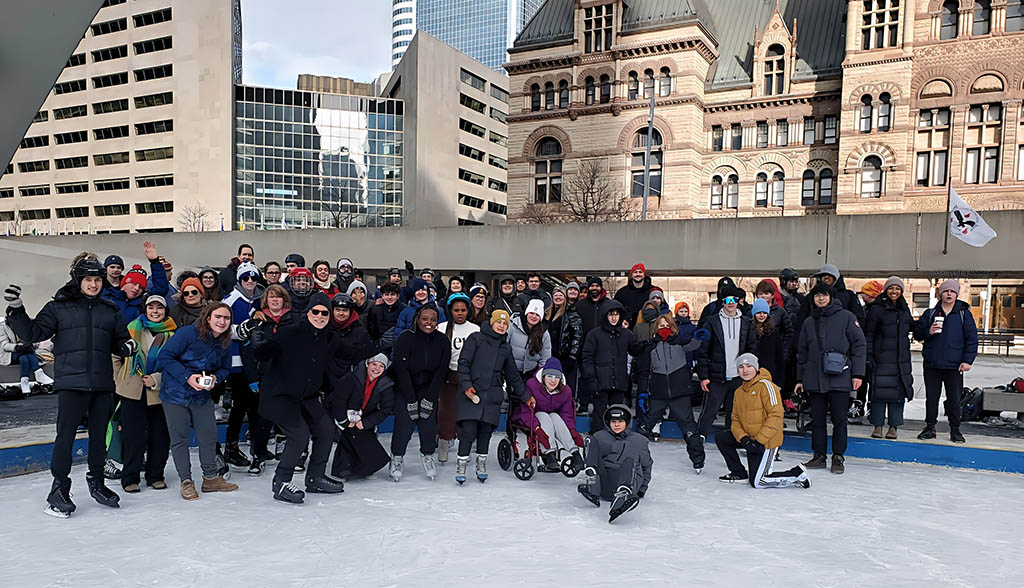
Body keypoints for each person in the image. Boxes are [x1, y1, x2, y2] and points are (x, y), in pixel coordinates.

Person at [5, 255, 135, 517]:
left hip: (101, 384)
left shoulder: (110, 310)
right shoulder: (58, 307)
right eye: (88, 279)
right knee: (65, 438)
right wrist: (17, 309)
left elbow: (120, 340)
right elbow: (33, 334)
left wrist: (127, 347)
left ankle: (97, 482)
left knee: (99, 439)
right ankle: (59, 488)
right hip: (71, 384)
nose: (93, 284)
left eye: (97, 280)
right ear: (79, 281)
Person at [252, 292, 344, 503]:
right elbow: (264, 353)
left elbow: (351, 352)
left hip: (306, 396)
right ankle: (281, 482)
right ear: (308, 312)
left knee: (326, 429)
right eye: (316, 311)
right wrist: (258, 345)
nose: (320, 316)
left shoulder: (328, 337)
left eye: (324, 313)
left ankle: (315, 477)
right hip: (280, 396)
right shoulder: (290, 332)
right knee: (299, 435)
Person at [155, 303, 238, 500]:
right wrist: (187, 377)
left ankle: (210, 478)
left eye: (226, 318)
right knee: (180, 439)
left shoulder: (225, 342)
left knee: (208, 436)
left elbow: (226, 368)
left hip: (201, 396)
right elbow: (165, 356)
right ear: (208, 317)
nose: (222, 321)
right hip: (175, 394)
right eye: (218, 316)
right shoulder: (187, 333)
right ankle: (186, 480)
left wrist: (216, 379)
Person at [795, 282, 866, 474]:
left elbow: (859, 345)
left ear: (831, 297)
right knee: (817, 420)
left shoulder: (847, 317)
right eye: (817, 295)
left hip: (840, 378)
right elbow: (802, 352)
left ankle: (838, 457)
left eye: (824, 295)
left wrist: (858, 373)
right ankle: (819, 456)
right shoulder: (809, 322)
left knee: (839, 419)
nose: (820, 298)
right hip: (815, 379)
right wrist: (800, 379)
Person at [456, 310, 533, 484]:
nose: (501, 326)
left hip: (492, 395)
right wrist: (467, 386)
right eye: (499, 322)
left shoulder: (505, 347)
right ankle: (461, 465)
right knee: (468, 431)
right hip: (472, 393)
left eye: (505, 324)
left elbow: (513, 375)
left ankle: (481, 464)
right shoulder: (475, 338)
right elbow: (464, 363)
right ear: (492, 322)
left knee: (485, 432)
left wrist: (526, 396)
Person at [715, 354, 810, 489]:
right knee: (722, 437)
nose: (745, 370)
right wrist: (744, 439)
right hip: (750, 439)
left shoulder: (766, 386)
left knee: (758, 482)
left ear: (756, 368)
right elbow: (735, 419)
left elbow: (776, 416)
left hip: (765, 442)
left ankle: (796, 474)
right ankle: (739, 473)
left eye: (749, 366)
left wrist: (759, 441)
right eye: (741, 367)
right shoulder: (739, 391)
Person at [113, 294, 176, 493]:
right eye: (151, 307)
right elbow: (115, 355)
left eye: (159, 308)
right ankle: (130, 477)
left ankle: (155, 475)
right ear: (145, 309)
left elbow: (178, 364)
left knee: (160, 436)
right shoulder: (131, 329)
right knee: (134, 437)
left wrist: (157, 379)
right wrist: (120, 380)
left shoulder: (174, 334)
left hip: (160, 393)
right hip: (133, 391)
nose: (155, 311)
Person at [634, 314, 705, 473]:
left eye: (667, 325)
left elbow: (693, 345)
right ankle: (631, 455)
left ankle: (698, 459)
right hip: (658, 393)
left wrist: (700, 337)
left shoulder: (679, 342)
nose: (663, 328)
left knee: (688, 426)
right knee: (645, 425)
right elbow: (645, 370)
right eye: (660, 326)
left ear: (672, 327)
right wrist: (643, 392)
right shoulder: (651, 346)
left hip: (679, 391)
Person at [390, 303, 451, 481]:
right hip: (406, 388)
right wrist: (410, 399)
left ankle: (427, 455)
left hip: (428, 388)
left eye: (433, 319)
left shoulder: (442, 341)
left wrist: (430, 398)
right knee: (404, 425)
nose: (429, 323)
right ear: (418, 319)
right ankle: (396, 458)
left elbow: (441, 371)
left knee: (428, 425)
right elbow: (401, 369)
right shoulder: (405, 338)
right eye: (425, 319)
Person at [913, 279, 977, 443]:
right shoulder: (930, 314)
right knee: (931, 398)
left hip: (955, 365)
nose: (949, 294)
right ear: (941, 294)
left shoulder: (964, 314)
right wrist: (929, 331)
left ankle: (955, 430)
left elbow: (972, 339)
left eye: (952, 291)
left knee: (954, 399)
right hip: (932, 364)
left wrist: (967, 360)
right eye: (946, 291)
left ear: (956, 294)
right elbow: (918, 335)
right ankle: (930, 427)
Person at [696, 284, 755, 439]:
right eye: (727, 299)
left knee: (734, 413)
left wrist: (749, 374)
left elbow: (752, 349)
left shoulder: (747, 323)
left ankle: (730, 441)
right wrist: (703, 376)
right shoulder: (712, 322)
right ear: (722, 301)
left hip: (738, 377)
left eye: (734, 299)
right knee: (709, 411)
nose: (731, 303)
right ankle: (699, 439)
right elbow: (702, 351)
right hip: (716, 377)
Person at [222, 261, 265, 469]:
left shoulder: (258, 298)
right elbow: (220, 326)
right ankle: (231, 447)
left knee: (252, 405)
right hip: (235, 361)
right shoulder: (231, 299)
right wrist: (241, 329)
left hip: (254, 361)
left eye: (253, 277)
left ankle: (256, 447)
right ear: (239, 280)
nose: (250, 281)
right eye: (245, 278)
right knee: (242, 405)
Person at [576, 405, 652, 523]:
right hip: (604, 483)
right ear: (608, 422)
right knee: (591, 441)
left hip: (628, 481)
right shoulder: (600, 437)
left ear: (627, 422)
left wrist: (642, 489)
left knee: (630, 461)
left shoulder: (639, 441)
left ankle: (622, 495)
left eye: (620, 421)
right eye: (613, 421)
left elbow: (647, 466)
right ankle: (593, 482)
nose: (616, 425)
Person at [327, 354, 394, 479]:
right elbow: (338, 400)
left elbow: (386, 409)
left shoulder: (386, 385)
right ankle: (344, 468)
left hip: (363, 420)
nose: (377, 369)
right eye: (374, 364)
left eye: (381, 366)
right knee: (349, 434)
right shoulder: (352, 377)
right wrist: (344, 421)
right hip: (340, 414)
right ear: (367, 364)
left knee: (364, 442)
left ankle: (353, 468)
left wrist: (367, 422)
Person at [512, 358, 585, 472]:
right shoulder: (532, 385)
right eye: (549, 376)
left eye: (556, 377)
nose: (553, 380)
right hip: (531, 416)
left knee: (555, 417)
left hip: (551, 418)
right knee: (544, 416)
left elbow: (567, 415)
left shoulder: (566, 391)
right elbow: (525, 412)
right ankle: (550, 454)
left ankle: (575, 453)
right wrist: (537, 429)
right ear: (543, 376)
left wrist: (572, 431)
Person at [864, 277, 914, 440]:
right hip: (881, 357)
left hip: (900, 358)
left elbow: (912, 327)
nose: (894, 291)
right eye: (891, 288)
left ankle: (894, 426)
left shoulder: (904, 309)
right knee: (879, 393)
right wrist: (869, 355)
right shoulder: (876, 309)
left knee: (898, 394)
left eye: (897, 289)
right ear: (886, 290)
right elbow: (869, 334)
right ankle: (877, 425)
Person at [437, 293, 479, 464]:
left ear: (468, 311)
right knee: (446, 412)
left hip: (468, 377)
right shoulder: (441, 328)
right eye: (456, 310)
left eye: (463, 310)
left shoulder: (475, 329)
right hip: (448, 375)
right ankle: (444, 444)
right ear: (450, 311)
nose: (460, 313)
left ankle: (464, 446)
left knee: (466, 413)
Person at [581, 300, 634, 435]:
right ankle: (597, 439)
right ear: (605, 316)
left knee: (617, 413)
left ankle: (616, 437)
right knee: (599, 413)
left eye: (616, 314)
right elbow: (587, 358)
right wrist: (591, 379)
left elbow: (634, 351)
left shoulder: (626, 334)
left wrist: (646, 344)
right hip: (600, 381)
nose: (614, 318)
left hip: (619, 381)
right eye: (611, 314)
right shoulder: (594, 334)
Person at [102, 242, 171, 322]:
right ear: (125, 283)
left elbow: (161, 288)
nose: (136, 288)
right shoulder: (107, 296)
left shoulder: (143, 301)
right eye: (134, 284)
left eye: (141, 287)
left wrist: (154, 262)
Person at [0, 315, 54, 395]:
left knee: (24, 358)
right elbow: (4, 346)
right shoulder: (2, 327)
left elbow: (34, 340)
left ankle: (24, 382)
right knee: (27, 352)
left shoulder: (23, 325)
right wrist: (18, 347)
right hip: (7, 354)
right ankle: (38, 372)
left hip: (22, 353)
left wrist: (31, 344)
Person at [327, 293, 376, 379]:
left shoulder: (359, 331)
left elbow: (364, 355)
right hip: (326, 376)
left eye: (345, 310)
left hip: (349, 377)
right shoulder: (324, 328)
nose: (341, 313)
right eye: (338, 310)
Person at [547, 286, 582, 400]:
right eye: (555, 295)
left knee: (566, 388)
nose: (558, 297)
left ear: (565, 297)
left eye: (560, 295)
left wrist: (572, 356)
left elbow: (577, 335)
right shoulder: (547, 313)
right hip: (550, 356)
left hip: (565, 357)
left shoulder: (571, 313)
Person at [508, 299, 552, 381]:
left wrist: (539, 376)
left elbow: (545, 357)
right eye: (531, 313)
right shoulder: (513, 325)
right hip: (511, 370)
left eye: (537, 315)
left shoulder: (544, 333)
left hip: (530, 373)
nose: (534, 316)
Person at [751, 298, 785, 391]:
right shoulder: (748, 330)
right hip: (752, 375)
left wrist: (779, 382)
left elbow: (780, 357)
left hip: (770, 374)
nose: (762, 315)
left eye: (764, 313)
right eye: (759, 312)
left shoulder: (774, 332)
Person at [368, 282, 405, 353]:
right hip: (379, 348)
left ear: (398, 296)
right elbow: (371, 331)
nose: (389, 297)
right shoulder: (375, 310)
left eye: (393, 294)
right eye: (386, 294)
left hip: (398, 348)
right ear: (382, 295)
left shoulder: (404, 310)